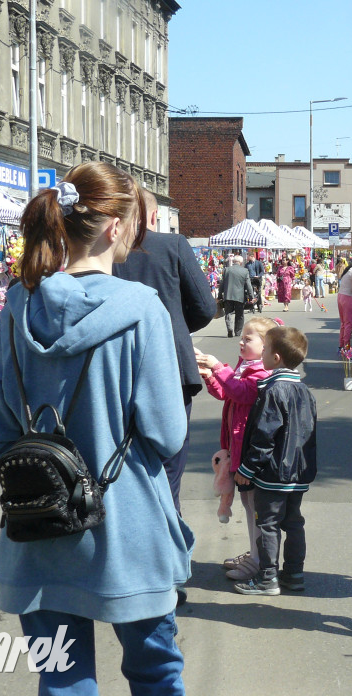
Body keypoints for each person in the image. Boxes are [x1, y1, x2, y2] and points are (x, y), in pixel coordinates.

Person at [0, 162, 192, 694]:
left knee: (63, 681)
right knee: (156, 675)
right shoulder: (141, 308)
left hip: (39, 526)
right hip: (128, 527)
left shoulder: (16, 305)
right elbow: (167, 433)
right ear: (114, 227)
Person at [114, 188, 218, 520]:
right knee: (169, 462)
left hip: (116, 366)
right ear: (155, 217)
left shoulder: (104, 253)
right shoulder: (172, 246)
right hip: (171, 366)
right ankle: (167, 537)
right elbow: (205, 306)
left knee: (121, 460)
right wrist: (174, 328)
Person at [233, 326, 318, 596]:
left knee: (267, 523)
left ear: (276, 357)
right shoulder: (306, 392)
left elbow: (264, 436)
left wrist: (247, 468)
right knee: (294, 523)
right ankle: (294, 573)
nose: (263, 355)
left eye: (266, 350)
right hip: (299, 472)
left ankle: (267, 577)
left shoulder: (272, 391)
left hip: (272, 473)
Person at [195, 316, 279, 582]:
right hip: (239, 446)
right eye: (242, 338)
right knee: (248, 502)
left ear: (265, 346)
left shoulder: (262, 371)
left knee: (254, 505)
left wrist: (218, 367)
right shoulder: (246, 366)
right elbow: (226, 393)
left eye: (248, 338)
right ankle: (255, 553)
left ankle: (258, 559)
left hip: (251, 450)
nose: (241, 342)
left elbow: (242, 392)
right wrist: (211, 375)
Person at [219, 254, 253, 336]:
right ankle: (238, 332)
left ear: (233, 261)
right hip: (240, 296)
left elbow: (222, 284)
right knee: (239, 314)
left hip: (228, 295)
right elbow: (248, 285)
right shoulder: (245, 271)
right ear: (241, 262)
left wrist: (220, 295)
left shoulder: (226, 270)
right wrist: (251, 296)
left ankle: (229, 328)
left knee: (228, 313)